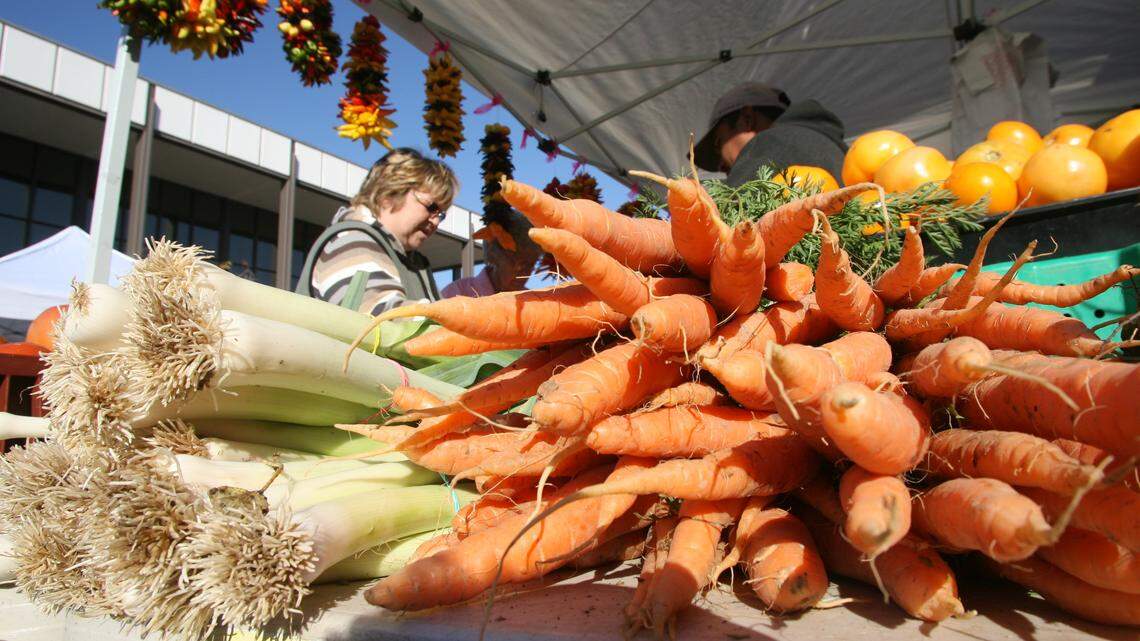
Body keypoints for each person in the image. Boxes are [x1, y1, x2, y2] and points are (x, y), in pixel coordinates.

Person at [295, 148, 457, 314]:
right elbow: (379, 316)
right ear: (390, 192)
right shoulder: (352, 243)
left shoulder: (415, 263)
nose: (436, 221)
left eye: (441, 214)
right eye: (431, 207)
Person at [692, 82, 847, 187]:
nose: (720, 165)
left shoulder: (771, 142)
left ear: (747, 119)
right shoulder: (836, 151)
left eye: (718, 142)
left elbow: (730, 224)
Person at [441, 210, 542, 298]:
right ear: (493, 254)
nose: (523, 272)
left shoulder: (533, 302)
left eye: (530, 264)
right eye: (514, 261)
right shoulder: (457, 294)